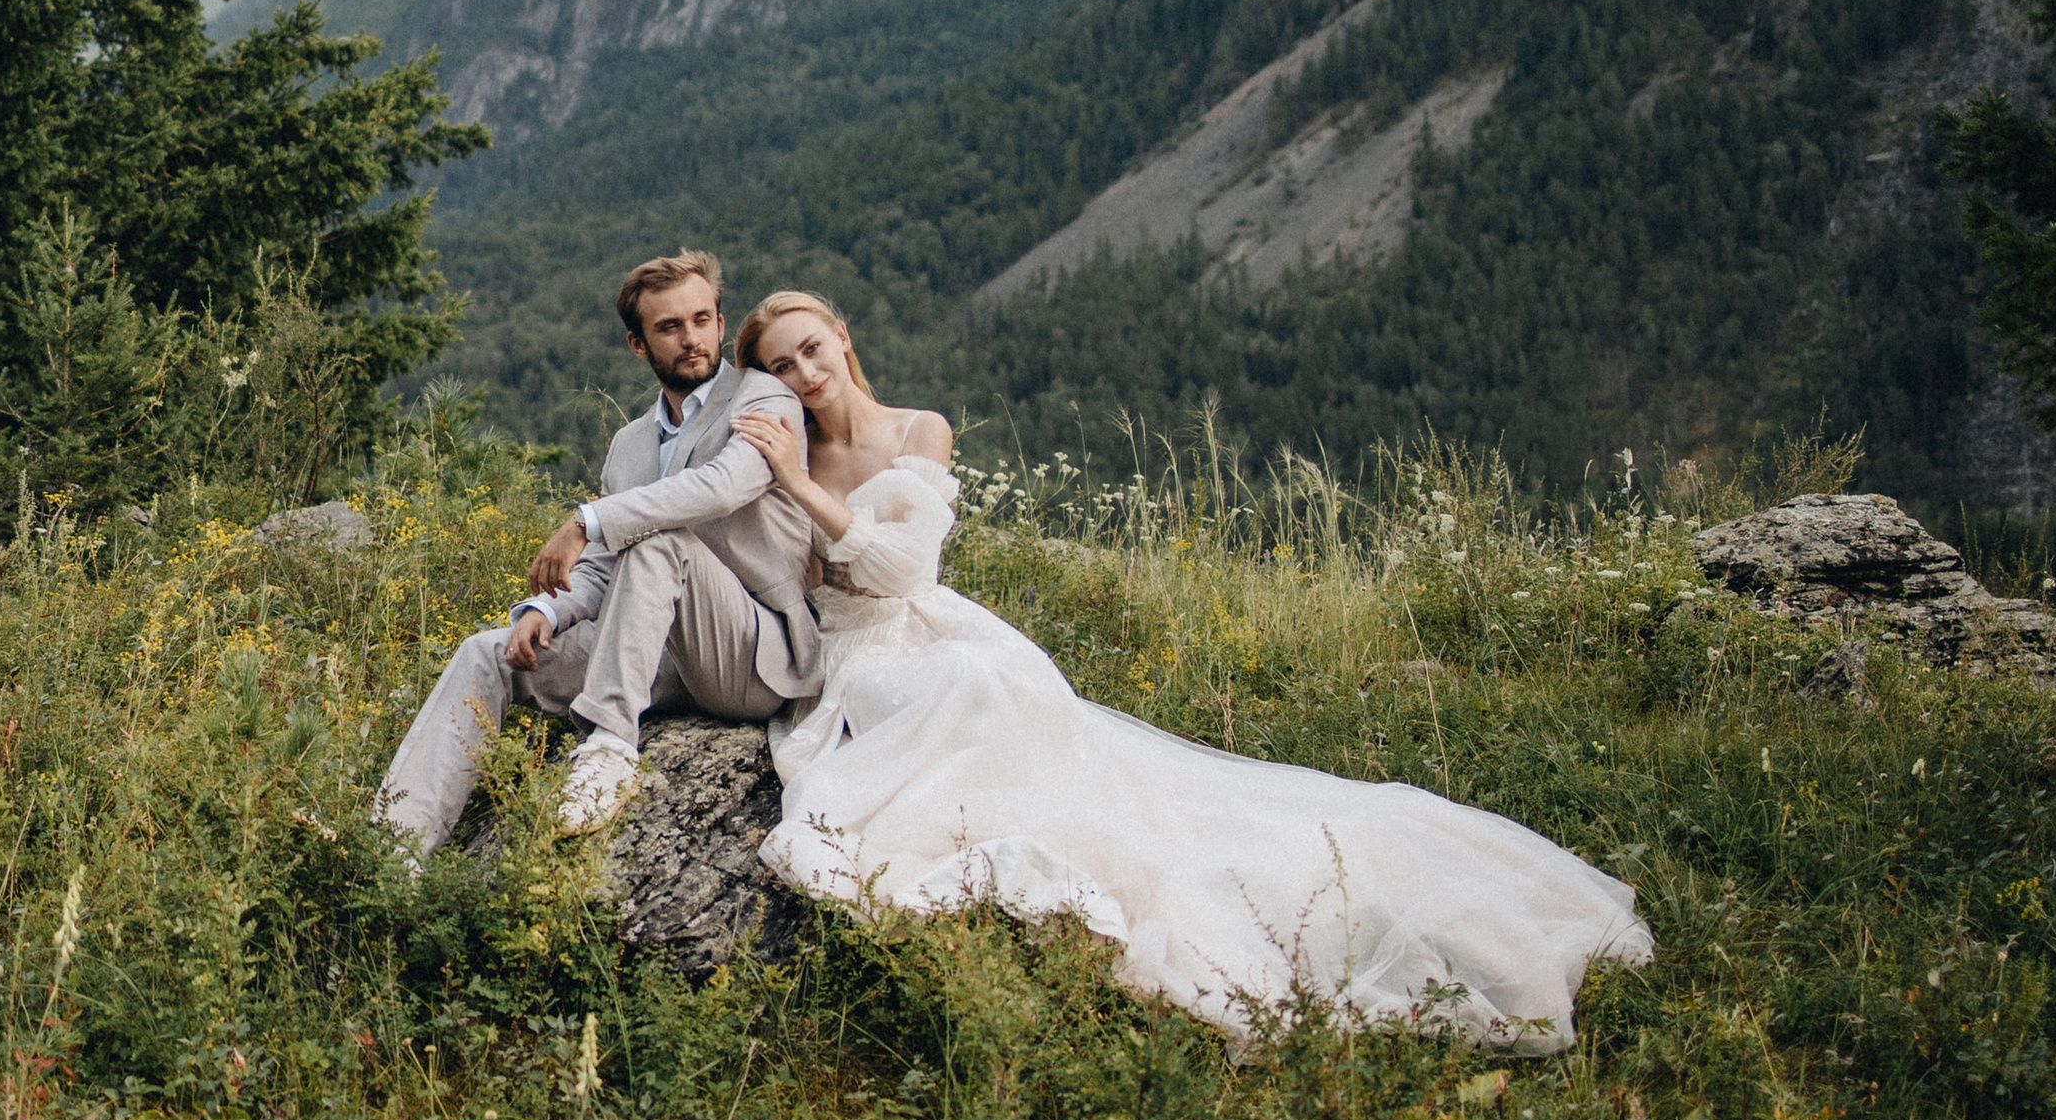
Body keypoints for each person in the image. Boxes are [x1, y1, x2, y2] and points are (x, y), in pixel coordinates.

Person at [729, 289, 1651, 1048]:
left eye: (813, 350)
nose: (806, 375)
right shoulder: (784, 449)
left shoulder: (916, 432)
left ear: (844, 337)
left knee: (1005, 693)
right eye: (783, 366)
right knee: (954, 701)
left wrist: (804, 489)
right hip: (850, 651)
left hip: (926, 618)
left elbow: (905, 568)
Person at [374, 250, 823, 849]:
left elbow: (724, 486)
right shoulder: (630, 444)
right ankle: (393, 845)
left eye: (701, 319)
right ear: (639, 344)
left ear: (720, 323)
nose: (691, 339)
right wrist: (549, 612)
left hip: (752, 656)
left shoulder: (765, 399)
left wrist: (589, 519)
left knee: (662, 540)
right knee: (488, 654)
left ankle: (610, 746)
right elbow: (606, 566)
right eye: (669, 327)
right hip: (653, 651)